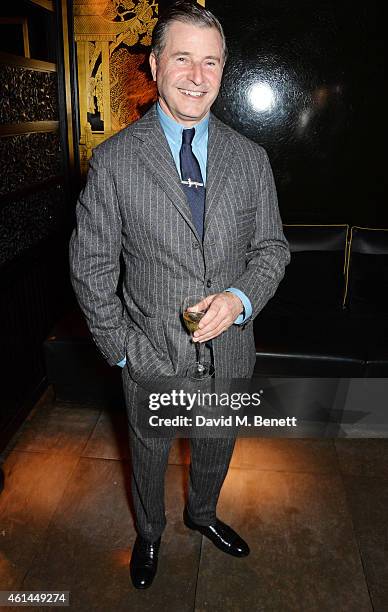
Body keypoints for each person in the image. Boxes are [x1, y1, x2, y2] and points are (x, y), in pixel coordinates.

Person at [69, 0, 290, 590]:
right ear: (155, 63)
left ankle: (202, 514)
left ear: (224, 70)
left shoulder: (252, 159)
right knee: (147, 458)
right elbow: (90, 268)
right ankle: (149, 533)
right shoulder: (114, 160)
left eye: (211, 62)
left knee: (217, 445)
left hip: (230, 355)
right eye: (184, 58)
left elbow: (273, 250)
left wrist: (240, 297)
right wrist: (124, 352)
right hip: (151, 359)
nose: (198, 75)